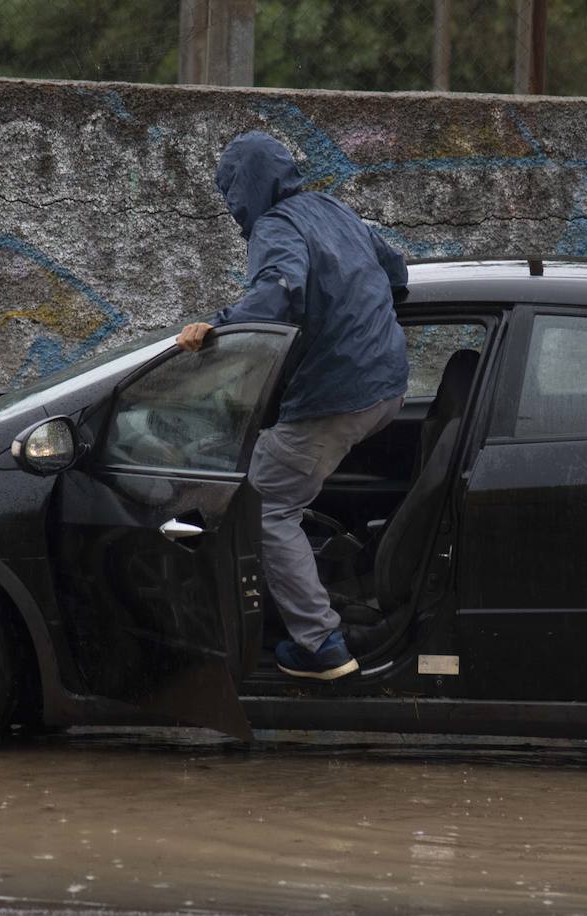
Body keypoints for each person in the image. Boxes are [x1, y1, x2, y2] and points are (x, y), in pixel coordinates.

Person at [177, 130, 408, 681]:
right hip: (387, 387)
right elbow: (395, 270)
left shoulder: (276, 227)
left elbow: (279, 293)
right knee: (287, 473)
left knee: (263, 503)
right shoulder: (333, 208)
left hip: (338, 397)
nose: (232, 204)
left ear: (246, 187)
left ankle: (319, 642)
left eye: (231, 190)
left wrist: (220, 328)